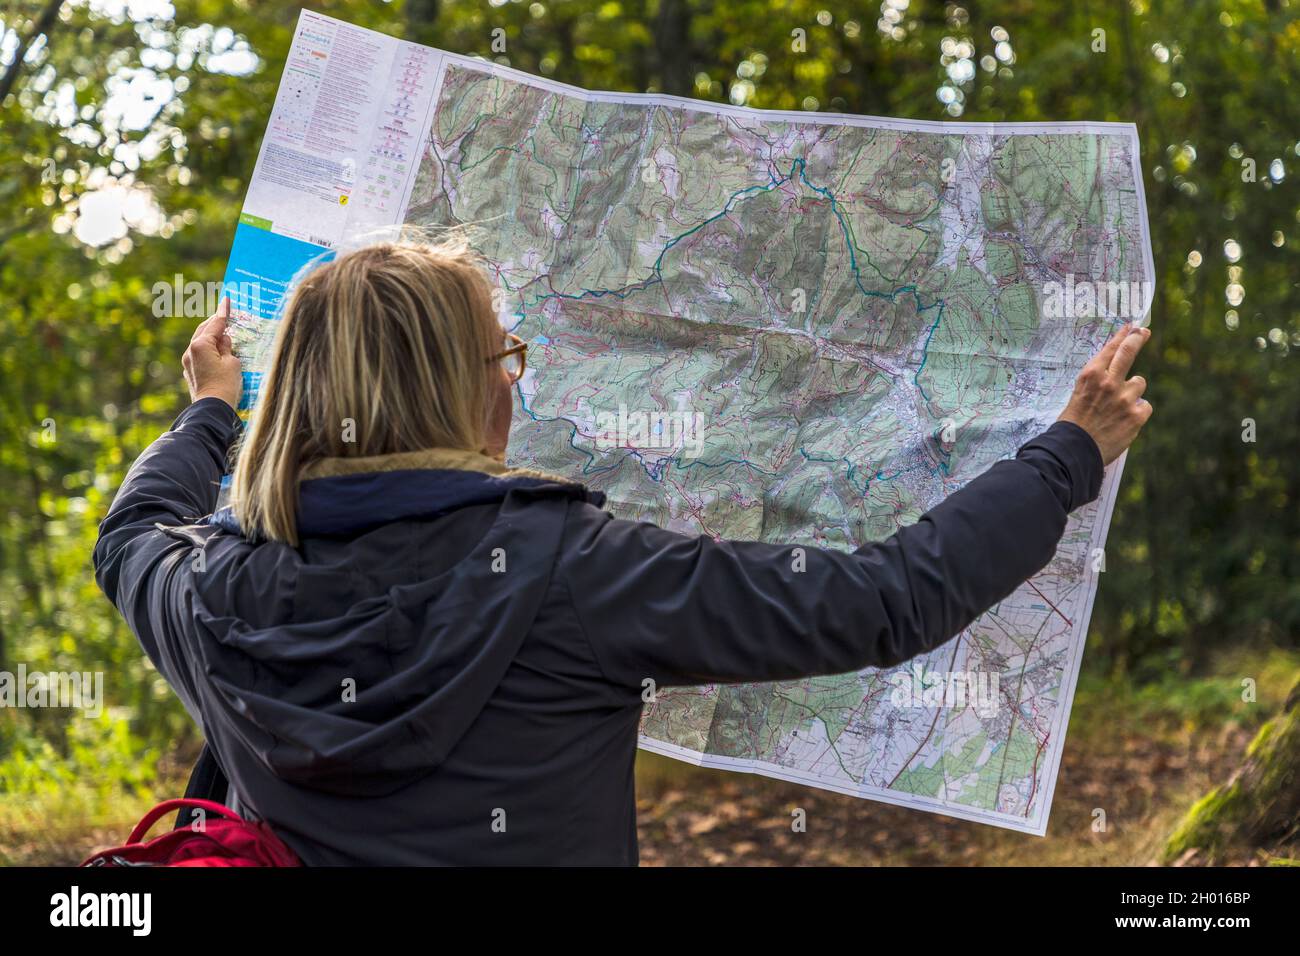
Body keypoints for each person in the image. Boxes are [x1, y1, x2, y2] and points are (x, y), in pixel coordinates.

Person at [93, 240, 1152, 865]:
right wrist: (1065, 455)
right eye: (500, 355)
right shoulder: (571, 571)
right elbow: (882, 599)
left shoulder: (207, 589)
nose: (512, 378)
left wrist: (210, 415)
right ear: (456, 388)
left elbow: (129, 532)